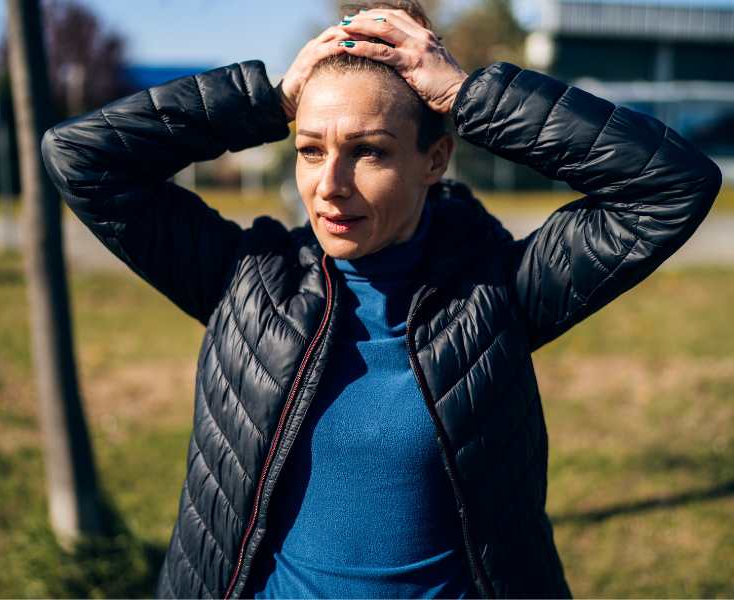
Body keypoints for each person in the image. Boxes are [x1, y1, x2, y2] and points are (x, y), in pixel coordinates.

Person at [40, 1, 721, 598]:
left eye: (368, 151)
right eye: (310, 150)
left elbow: (670, 186)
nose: (329, 184)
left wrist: (467, 92)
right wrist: (268, 99)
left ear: (435, 158)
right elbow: (80, 157)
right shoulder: (243, 281)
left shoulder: (495, 295)